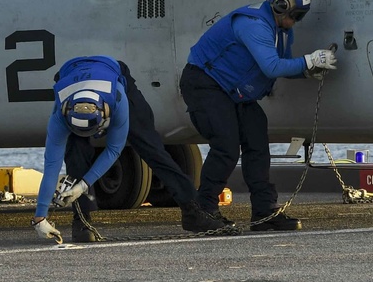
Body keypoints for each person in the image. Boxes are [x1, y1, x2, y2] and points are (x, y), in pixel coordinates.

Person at [179, 0, 337, 231]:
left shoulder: (282, 30)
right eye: (295, 15)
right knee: (226, 145)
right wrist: (308, 61)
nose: (295, 21)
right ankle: (201, 210)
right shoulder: (253, 24)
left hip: (233, 91)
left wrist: (307, 71)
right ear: (280, 5)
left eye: (300, 17)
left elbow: (281, 65)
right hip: (206, 84)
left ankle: (263, 212)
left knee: (257, 141)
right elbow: (271, 66)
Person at [31, 56, 226, 243]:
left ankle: (193, 210)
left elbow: (114, 150)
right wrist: (40, 218)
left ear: (105, 116)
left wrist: (83, 185)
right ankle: (82, 221)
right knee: (76, 152)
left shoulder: (117, 100)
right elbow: (51, 166)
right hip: (69, 75)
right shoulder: (60, 113)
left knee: (151, 146)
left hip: (113, 73)